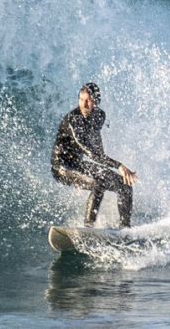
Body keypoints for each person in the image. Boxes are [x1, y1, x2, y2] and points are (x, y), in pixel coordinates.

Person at [50, 82, 137, 228]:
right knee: (99, 181)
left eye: (88, 100)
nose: (84, 104)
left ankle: (125, 229)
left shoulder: (99, 116)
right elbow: (88, 152)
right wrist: (118, 165)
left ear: (96, 102)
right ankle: (88, 227)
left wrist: (103, 167)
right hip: (62, 167)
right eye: (81, 99)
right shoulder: (73, 120)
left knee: (124, 185)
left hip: (78, 165)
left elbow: (97, 147)